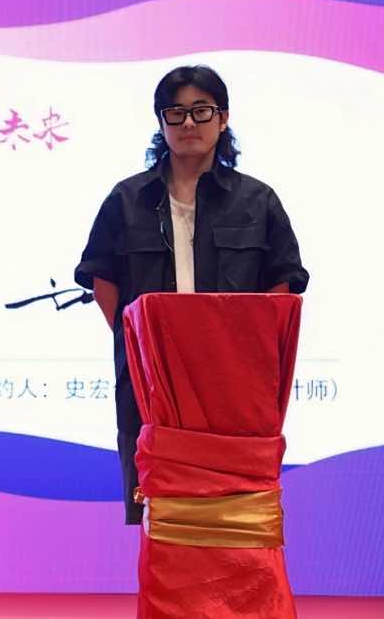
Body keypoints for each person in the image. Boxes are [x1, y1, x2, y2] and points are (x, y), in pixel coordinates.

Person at [74, 65, 308, 524]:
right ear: (161, 122)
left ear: (223, 118)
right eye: (175, 112)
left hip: (233, 378)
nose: (188, 123)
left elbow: (282, 285)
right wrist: (140, 344)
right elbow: (103, 279)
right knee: (160, 508)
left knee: (235, 509)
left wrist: (250, 348)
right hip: (154, 380)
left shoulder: (258, 201)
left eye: (201, 111)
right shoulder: (127, 199)